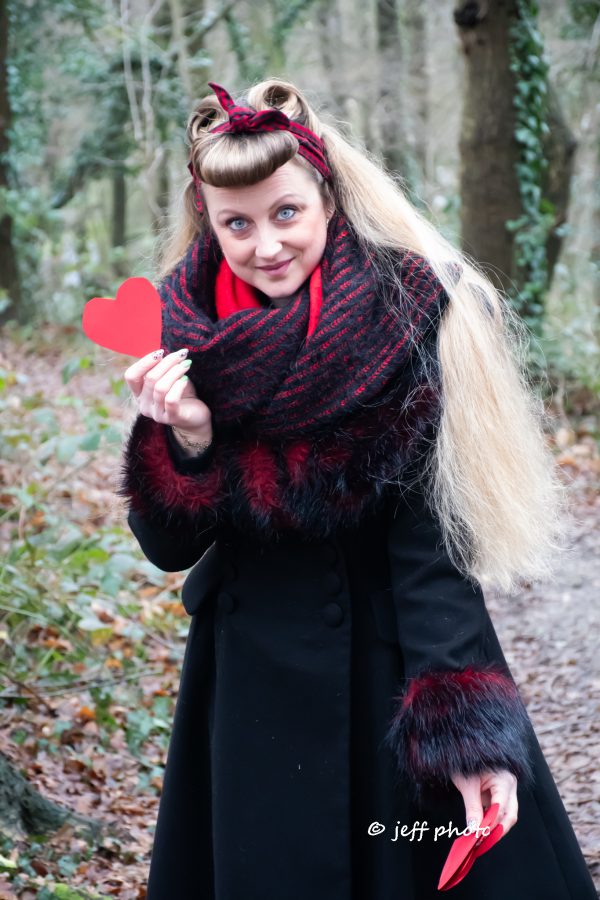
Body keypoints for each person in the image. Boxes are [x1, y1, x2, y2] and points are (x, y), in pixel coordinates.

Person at [118, 80, 597, 900]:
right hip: (246, 689)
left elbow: (434, 545)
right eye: (238, 223)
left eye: (286, 214)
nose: (265, 245)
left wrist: (471, 738)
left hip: (377, 677)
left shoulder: (403, 315)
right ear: (209, 220)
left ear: (327, 200)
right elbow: (166, 548)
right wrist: (188, 438)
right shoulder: (184, 331)